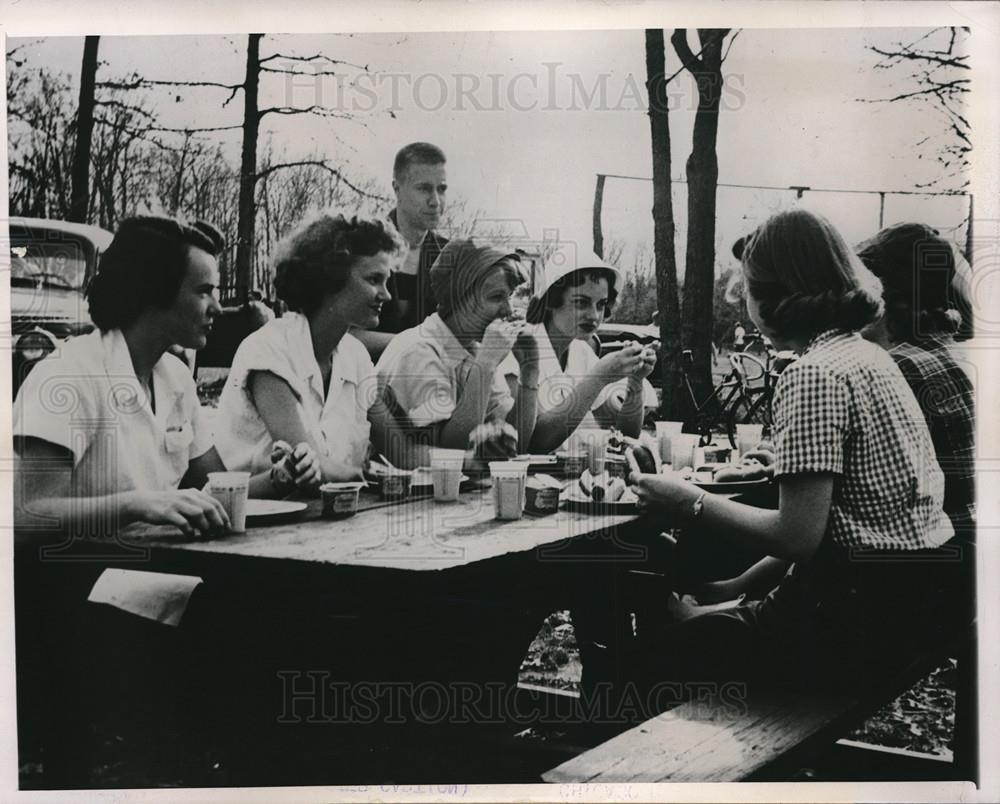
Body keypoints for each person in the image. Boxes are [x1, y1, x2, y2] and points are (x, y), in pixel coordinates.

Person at [625, 208, 961, 702]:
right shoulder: (869, 355)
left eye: (749, 291)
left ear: (777, 296)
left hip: (850, 625)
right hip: (910, 607)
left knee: (650, 658)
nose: (745, 309)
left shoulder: (811, 374)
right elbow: (836, 528)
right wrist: (731, 592)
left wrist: (686, 500)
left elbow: (799, 536)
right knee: (693, 621)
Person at [13, 215, 277, 538]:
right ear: (155, 291)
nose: (217, 308)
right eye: (204, 292)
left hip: (149, 572)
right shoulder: (69, 373)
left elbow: (214, 490)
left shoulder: (177, 378)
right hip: (72, 580)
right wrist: (136, 505)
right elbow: (26, 514)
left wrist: (281, 476)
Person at [214, 214, 403, 485]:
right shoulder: (268, 350)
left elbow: (403, 452)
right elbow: (312, 465)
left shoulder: (356, 357)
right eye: (374, 279)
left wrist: (470, 458)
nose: (386, 295)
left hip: (328, 521)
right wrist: (373, 475)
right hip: (253, 519)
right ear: (330, 279)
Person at [371, 237, 540, 469]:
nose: (508, 310)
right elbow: (452, 451)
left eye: (509, 297)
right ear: (459, 297)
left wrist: (529, 373)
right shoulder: (419, 350)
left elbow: (517, 445)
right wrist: (486, 365)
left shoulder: (473, 348)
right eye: (496, 297)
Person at [857, 222, 975, 541]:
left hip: (935, 545)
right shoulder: (952, 352)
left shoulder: (896, 368)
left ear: (880, 294)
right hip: (971, 533)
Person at [500, 245, 658, 453]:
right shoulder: (518, 348)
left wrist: (635, 382)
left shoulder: (581, 352)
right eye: (581, 303)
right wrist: (598, 377)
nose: (594, 315)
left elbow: (625, 435)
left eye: (601, 304)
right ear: (551, 301)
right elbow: (531, 444)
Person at [355, 142, 449, 360]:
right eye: (424, 188)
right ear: (397, 188)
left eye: (441, 189)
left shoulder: (450, 256)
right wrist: (417, 344)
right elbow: (344, 333)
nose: (435, 201)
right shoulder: (362, 248)